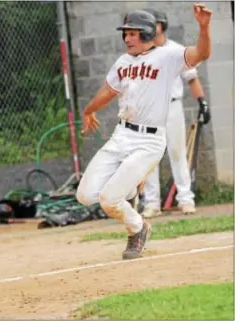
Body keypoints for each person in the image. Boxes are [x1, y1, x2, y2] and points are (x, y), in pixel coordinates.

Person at [76, 4, 212, 260]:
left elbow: (201, 53)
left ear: (148, 34)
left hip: (149, 141)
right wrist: (88, 110)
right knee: (85, 195)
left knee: (108, 199)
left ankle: (137, 228)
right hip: (122, 135)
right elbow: (108, 90)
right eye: (125, 34)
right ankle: (126, 191)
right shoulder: (123, 62)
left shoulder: (167, 56)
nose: (127, 38)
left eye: (133, 33)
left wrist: (203, 27)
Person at [140, 8, 211, 218]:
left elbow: (191, 77)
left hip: (172, 106)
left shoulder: (176, 50)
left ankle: (185, 199)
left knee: (177, 152)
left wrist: (202, 102)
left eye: (153, 25)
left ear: (161, 26)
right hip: (149, 109)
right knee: (150, 155)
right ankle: (152, 203)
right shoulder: (143, 52)